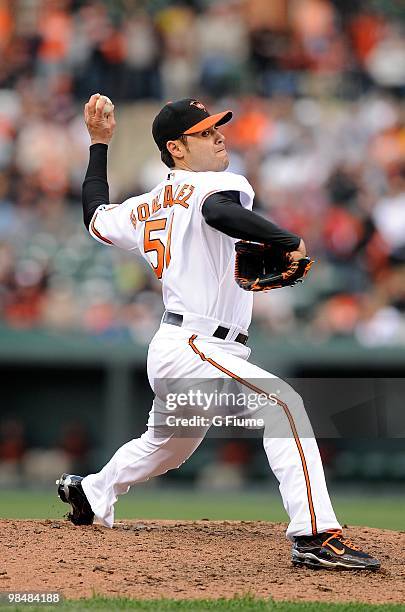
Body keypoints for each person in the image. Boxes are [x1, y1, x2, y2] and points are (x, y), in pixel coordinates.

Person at [57, 94, 380, 570]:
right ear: (177, 148)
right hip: (197, 344)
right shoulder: (216, 183)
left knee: (166, 446)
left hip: (178, 347)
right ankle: (315, 536)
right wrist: (286, 239)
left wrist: (98, 144)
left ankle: (92, 490)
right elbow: (218, 213)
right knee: (283, 404)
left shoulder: (146, 205)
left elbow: (94, 215)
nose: (219, 135)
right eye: (205, 132)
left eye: (216, 128)